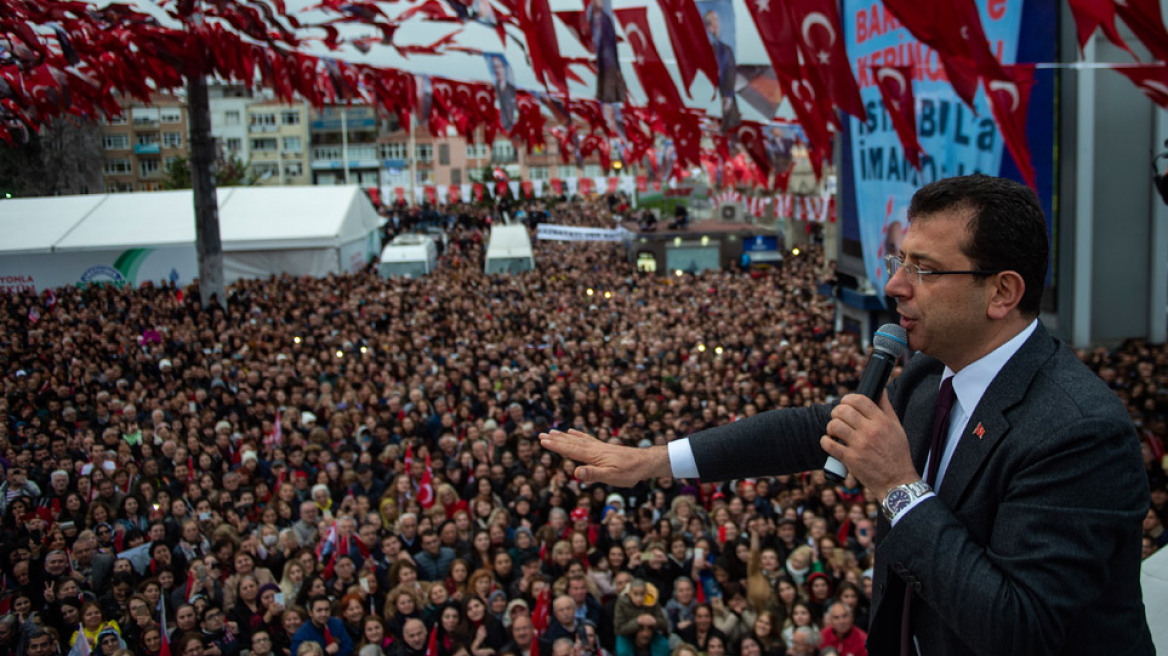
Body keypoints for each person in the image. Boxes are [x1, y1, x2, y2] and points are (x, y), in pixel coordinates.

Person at [540, 175, 1154, 654]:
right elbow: (814, 431)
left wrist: (898, 488)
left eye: (925, 269)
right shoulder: (927, 370)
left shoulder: (1079, 431)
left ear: (1002, 292)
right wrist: (649, 461)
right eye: (900, 260)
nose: (895, 286)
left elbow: (1019, 628)